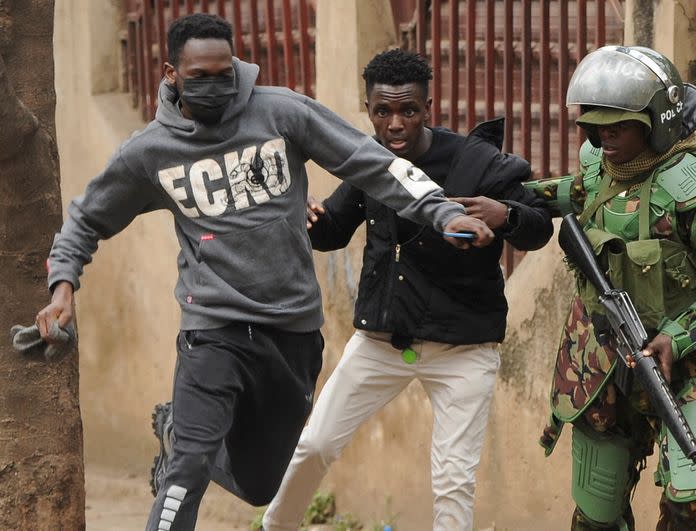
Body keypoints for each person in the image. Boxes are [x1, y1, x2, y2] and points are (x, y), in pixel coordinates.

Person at [33, 14, 494, 531]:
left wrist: (441, 210)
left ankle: (177, 436)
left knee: (261, 483)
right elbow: (86, 218)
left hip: (290, 330)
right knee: (185, 473)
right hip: (212, 327)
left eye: (222, 72)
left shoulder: (280, 113)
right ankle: (182, 448)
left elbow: (370, 163)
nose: (214, 85)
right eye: (198, 76)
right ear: (170, 73)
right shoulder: (151, 152)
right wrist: (63, 288)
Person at [262, 48, 553, 531]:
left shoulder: (475, 161)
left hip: (464, 346)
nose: (395, 124)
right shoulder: (370, 162)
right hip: (382, 342)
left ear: (428, 108)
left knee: (453, 479)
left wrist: (506, 216)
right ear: (370, 111)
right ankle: (275, 526)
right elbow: (334, 229)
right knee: (314, 444)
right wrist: (310, 219)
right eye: (382, 112)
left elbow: (538, 227)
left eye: (408, 111)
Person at [528, 46, 696, 530]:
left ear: (656, 122)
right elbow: (569, 191)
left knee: (689, 509)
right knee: (595, 515)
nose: (603, 137)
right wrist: (509, 202)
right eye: (595, 125)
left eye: (618, 126)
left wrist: (674, 339)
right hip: (601, 359)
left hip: (683, 364)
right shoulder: (598, 168)